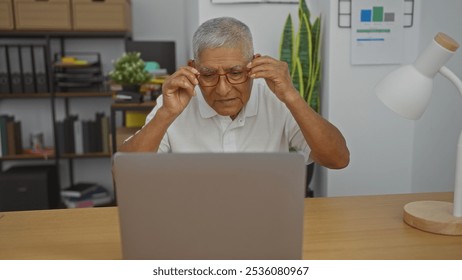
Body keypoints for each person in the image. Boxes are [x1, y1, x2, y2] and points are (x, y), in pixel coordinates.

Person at [119, 17, 349, 169]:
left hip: (264, 219)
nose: (223, 89)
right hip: (194, 220)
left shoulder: (274, 98)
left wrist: (291, 96)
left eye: (236, 72)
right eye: (208, 74)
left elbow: (338, 160)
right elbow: (125, 171)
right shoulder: (177, 100)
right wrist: (165, 115)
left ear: (254, 65)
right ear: (193, 67)